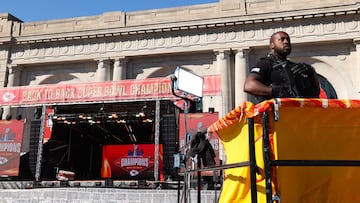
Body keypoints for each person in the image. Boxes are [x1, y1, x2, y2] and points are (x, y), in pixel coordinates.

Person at [244, 31, 320, 103]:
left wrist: (311, 73)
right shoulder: (265, 63)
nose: (286, 42)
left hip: (299, 112)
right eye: (282, 39)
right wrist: (275, 91)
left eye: (288, 40)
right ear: (272, 45)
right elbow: (249, 85)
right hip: (276, 113)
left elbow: (316, 92)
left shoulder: (295, 67)